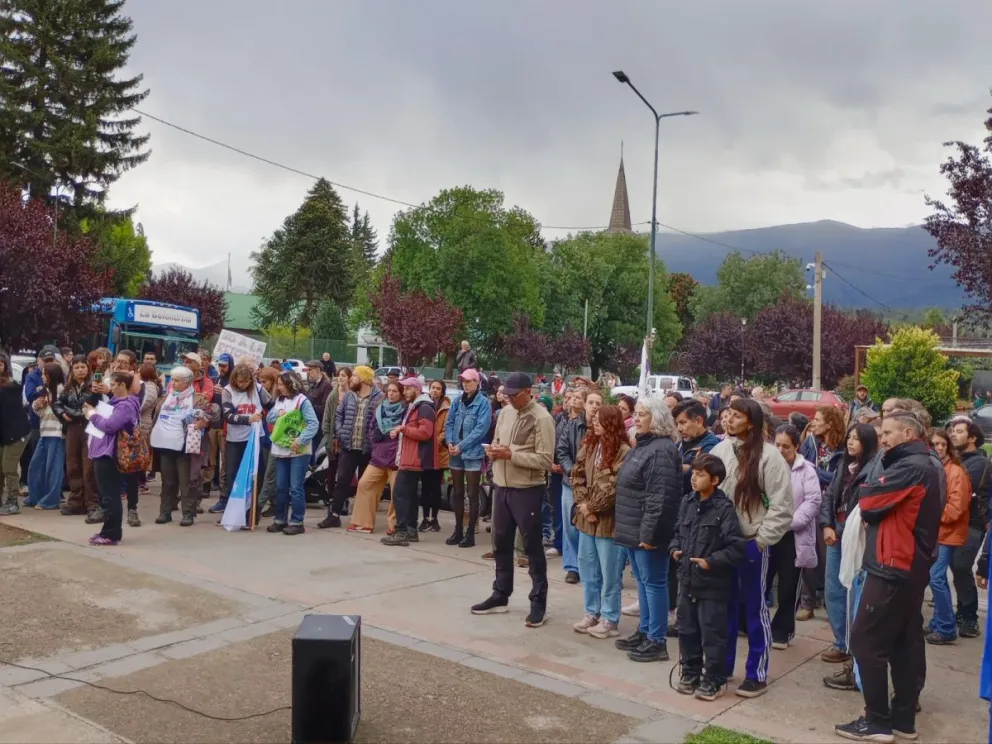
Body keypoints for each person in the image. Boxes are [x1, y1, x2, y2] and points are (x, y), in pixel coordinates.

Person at [835, 412, 941, 743]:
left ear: (908, 433)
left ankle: (878, 720)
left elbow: (867, 500)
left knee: (866, 640)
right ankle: (902, 719)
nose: (883, 439)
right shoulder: (923, 464)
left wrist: (872, 496)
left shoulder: (912, 466)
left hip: (893, 565)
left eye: (889, 432)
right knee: (903, 642)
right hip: (908, 565)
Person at [711, 399, 794, 698]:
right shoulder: (720, 450)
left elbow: (782, 505)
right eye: (728, 414)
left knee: (755, 609)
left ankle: (756, 672)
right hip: (723, 545)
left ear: (752, 422)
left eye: (737, 416)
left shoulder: (770, 458)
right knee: (725, 608)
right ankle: (721, 669)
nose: (729, 420)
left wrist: (760, 541)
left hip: (751, 544)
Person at [470, 372, 555, 628]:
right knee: (500, 543)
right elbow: (498, 441)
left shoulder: (542, 418)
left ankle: (538, 601)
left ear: (529, 392)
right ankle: (500, 594)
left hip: (527, 488)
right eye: (506, 394)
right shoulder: (505, 413)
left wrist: (511, 455)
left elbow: (545, 460)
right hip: (502, 486)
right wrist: (495, 451)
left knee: (531, 548)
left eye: (514, 395)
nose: (509, 399)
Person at [671, 454, 747, 701]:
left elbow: (736, 547)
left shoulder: (724, 509)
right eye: (693, 473)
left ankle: (713, 678)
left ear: (715, 480)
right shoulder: (687, 502)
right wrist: (675, 549)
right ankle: (690, 671)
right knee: (687, 629)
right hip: (687, 579)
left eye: (700, 474)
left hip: (713, 584)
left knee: (712, 633)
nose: (694, 478)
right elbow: (676, 532)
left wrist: (710, 562)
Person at [613, 398, 682, 662]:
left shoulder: (661, 450)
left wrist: (649, 534)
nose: (637, 418)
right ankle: (644, 631)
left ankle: (656, 640)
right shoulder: (643, 445)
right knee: (643, 582)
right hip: (634, 526)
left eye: (644, 414)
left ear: (658, 419)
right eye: (637, 414)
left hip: (648, 531)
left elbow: (660, 497)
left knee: (654, 583)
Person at [817, 424, 879, 669]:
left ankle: (855, 646)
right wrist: (826, 525)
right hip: (837, 530)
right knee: (834, 588)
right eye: (849, 437)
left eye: (857, 438)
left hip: (858, 534)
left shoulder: (875, 466)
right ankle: (841, 642)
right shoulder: (843, 463)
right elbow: (830, 496)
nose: (851, 442)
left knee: (855, 589)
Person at [571, 405, 631, 640]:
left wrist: (593, 507)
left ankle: (609, 618)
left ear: (612, 423)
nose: (594, 423)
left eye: (600, 420)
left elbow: (614, 486)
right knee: (588, 569)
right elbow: (577, 475)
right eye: (593, 419)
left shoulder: (623, 451)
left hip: (608, 522)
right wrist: (583, 506)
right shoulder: (589, 445)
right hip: (587, 521)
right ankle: (591, 612)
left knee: (609, 573)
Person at [769, 424, 821, 649]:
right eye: (777, 445)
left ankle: (782, 631)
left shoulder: (806, 470)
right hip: (768, 532)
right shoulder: (767, 465)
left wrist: (788, 523)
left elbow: (813, 502)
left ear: (797, 447)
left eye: (786, 446)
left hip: (793, 535)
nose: (780, 450)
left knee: (789, 586)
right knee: (763, 583)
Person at [82, 371, 141, 546]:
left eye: (114, 384)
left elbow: (110, 426)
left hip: (110, 454)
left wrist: (92, 415)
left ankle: (111, 533)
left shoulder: (126, 405)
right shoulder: (120, 401)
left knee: (110, 495)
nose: (111, 387)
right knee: (107, 494)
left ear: (123, 385)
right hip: (103, 452)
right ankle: (109, 531)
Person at [320, 365, 381, 528]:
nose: (351, 379)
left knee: (365, 485)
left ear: (364, 379)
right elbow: (339, 415)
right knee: (342, 481)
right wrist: (340, 433)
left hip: (368, 449)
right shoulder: (349, 396)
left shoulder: (379, 397)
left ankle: (363, 518)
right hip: (348, 446)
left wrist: (373, 440)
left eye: (354, 376)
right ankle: (334, 515)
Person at [925, 428, 971, 645]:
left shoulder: (955, 472)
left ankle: (945, 627)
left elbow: (955, 509)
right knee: (936, 579)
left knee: (936, 578)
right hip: (935, 534)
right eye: (935, 444)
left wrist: (927, 518)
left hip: (946, 534)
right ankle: (938, 623)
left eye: (943, 444)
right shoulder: (935, 469)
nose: (940, 448)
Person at [381, 377, 436, 546]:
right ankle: (411, 530)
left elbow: (425, 433)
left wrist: (404, 429)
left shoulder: (424, 407)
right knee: (410, 496)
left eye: (407, 389)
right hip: (411, 457)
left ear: (417, 389)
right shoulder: (416, 407)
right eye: (403, 389)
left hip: (414, 458)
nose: (404, 392)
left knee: (399, 494)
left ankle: (402, 531)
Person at [557, 387, 602, 584]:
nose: (593, 407)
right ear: (584, 405)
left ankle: (589, 566)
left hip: (595, 488)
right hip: (570, 484)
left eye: (597, 404)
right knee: (570, 527)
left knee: (589, 526)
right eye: (590, 403)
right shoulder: (572, 425)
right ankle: (573, 565)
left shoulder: (604, 428)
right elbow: (562, 451)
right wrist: (572, 471)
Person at [265, 372, 319, 536]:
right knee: (281, 486)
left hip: (298, 451)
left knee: (295, 487)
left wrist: (301, 440)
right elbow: (269, 418)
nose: (279, 387)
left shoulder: (302, 401)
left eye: (281, 384)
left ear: (290, 384)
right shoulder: (279, 401)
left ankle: (297, 521)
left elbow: (313, 423)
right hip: (281, 449)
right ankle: (280, 519)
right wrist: (276, 414)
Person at [348, 381, 405, 534]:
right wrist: (375, 443)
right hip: (379, 456)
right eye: (389, 391)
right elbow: (371, 428)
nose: (391, 394)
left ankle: (396, 526)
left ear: (401, 394)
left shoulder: (406, 410)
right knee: (365, 484)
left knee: (397, 493)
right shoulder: (380, 408)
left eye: (395, 391)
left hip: (396, 459)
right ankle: (363, 523)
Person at [444, 368, 492, 548]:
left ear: (477, 382)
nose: (466, 383)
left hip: (472, 453)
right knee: (456, 492)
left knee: (472, 494)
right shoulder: (457, 401)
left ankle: (470, 532)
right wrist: (449, 441)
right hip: (455, 451)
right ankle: (458, 530)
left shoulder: (483, 403)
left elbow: (481, 429)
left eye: (469, 381)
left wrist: (461, 446)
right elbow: (449, 423)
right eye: (463, 381)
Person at [948, 418, 987, 638]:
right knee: (955, 567)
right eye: (953, 431)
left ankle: (969, 617)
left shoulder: (978, 462)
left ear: (972, 438)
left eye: (959, 432)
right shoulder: (959, 460)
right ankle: (962, 611)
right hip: (956, 521)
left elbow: (961, 487)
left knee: (961, 566)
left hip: (972, 523)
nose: (954, 435)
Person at [222, 363, 272, 527]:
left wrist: (265, 415)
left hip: (255, 438)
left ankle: (252, 514)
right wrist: (247, 419)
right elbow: (228, 416)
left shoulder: (258, 389)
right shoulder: (228, 391)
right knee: (233, 476)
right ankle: (232, 512)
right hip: (235, 440)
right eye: (240, 382)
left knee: (256, 476)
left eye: (245, 382)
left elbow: (271, 405)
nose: (242, 385)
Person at [151, 367, 201, 526]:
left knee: (186, 481)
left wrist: (201, 418)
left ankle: (188, 513)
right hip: (165, 444)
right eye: (172, 379)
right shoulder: (167, 397)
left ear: (187, 383)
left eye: (177, 380)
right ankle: (165, 512)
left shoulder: (196, 398)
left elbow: (211, 413)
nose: (173, 383)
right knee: (167, 481)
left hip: (184, 446)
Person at [53, 355, 101, 518]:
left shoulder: (94, 386)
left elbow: (92, 406)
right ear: (72, 370)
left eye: (83, 367)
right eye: (77, 367)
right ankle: (75, 501)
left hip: (90, 428)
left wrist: (71, 413)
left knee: (88, 466)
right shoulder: (68, 388)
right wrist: (62, 413)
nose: (80, 370)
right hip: (73, 428)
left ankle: (91, 503)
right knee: (72, 465)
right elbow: (58, 404)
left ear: (88, 369)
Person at [24, 363, 66, 510]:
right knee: (35, 466)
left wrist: (50, 404)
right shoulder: (45, 391)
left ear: (51, 375)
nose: (42, 376)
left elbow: (63, 413)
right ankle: (35, 496)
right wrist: (36, 406)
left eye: (44, 374)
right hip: (45, 431)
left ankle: (51, 500)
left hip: (57, 434)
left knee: (53, 468)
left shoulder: (62, 391)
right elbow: (42, 413)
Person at [0, 353, 30, 516]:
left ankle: (12, 502)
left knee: (9, 468)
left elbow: (12, 415)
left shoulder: (10, 387)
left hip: (16, 433)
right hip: (3, 434)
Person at [418, 380, 449, 532]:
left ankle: (434, 518)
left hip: (439, 452)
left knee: (436, 488)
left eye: (438, 388)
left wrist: (436, 441)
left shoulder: (446, 408)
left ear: (442, 391)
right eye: (433, 388)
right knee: (425, 487)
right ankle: (424, 518)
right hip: (425, 452)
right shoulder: (424, 405)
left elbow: (446, 429)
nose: (435, 391)